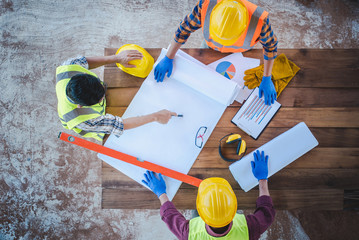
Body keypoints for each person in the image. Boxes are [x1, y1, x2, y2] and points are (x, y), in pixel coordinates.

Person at [154, 0, 278, 105]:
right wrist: (169, 57)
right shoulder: (206, 6)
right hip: (209, 49)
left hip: (244, 51)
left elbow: (270, 47)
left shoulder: (260, 21)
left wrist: (267, 77)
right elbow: (184, 29)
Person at [142, 150, 275, 240]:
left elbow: (170, 217)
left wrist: (161, 192)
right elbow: (266, 213)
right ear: (234, 208)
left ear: (200, 211)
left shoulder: (191, 233)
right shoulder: (248, 228)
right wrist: (262, 179)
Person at [56, 49, 177, 141]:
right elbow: (119, 125)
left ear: (82, 75)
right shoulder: (82, 121)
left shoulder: (68, 68)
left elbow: (85, 61)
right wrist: (155, 116)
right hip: (94, 123)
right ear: (80, 106)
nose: (103, 97)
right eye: (100, 99)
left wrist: (117, 58)